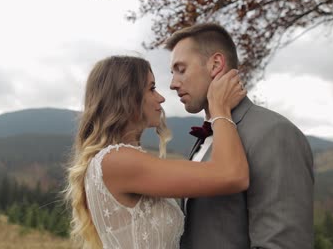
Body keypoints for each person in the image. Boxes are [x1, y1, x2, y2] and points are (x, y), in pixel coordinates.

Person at [65, 55, 248, 249]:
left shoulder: (113, 160)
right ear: (126, 96)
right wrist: (220, 109)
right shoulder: (118, 160)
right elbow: (232, 175)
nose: (160, 97)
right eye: (151, 88)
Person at [166, 23, 314, 248]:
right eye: (172, 72)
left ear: (215, 64)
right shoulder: (205, 136)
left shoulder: (273, 133)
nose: (173, 84)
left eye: (181, 69)